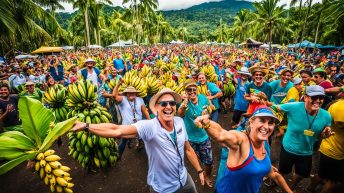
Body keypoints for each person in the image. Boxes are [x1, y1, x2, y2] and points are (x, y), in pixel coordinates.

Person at [71, 88, 205, 193]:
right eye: (164, 103)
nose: (168, 106)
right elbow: (116, 130)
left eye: (172, 103)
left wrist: (199, 171)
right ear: (156, 108)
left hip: (184, 178)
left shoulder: (180, 121)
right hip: (164, 188)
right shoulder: (149, 126)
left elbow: (188, 149)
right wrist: (86, 126)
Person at [193, 105, 293, 193]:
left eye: (270, 123)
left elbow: (273, 174)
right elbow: (221, 134)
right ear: (251, 122)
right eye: (262, 120)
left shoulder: (265, 143)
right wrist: (207, 123)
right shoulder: (242, 141)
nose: (266, 126)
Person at [272, 85, 334, 189]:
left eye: (321, 97)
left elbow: (321, 135)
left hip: (306, 152)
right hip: (288, 148)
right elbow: (274, 108)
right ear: (305, 97)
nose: (318, 100)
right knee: (283, 171)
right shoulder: (294, 106)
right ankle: (279, 185)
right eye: (314, 97)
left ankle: (291, 186)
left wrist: (324, 135)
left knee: (302, 174)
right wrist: (271, 124)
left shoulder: (326, 116)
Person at [177, 80, 213, 187]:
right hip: (190, 138)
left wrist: (206, 115)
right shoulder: (184, 102)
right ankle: (200, 173)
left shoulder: (203, 98)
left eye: (194, 89)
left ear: (197, 89)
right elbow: (180, 114)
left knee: (209, 162)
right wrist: (183, 105)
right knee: (195, 160)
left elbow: (209, 111)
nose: (192, 92)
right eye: (189, 90)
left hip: (203, 136)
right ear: (185, 91)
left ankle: (207, 175)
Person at [307, 98, 344, 193]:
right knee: (334, 181)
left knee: (322, 174)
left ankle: (310, 188)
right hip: (335, 151)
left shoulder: (337, 103)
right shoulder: (340, 107)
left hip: (329, 146)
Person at [112, 80, 150, 156]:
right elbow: (114, 96)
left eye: (133, 92)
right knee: (123, 142)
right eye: (129, 92)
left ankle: (139, 145)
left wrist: (149, 121)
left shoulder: (140, 99)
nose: (131, 94)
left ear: (136, 93)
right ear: (126, 94)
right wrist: (118, 84)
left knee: (141, 138)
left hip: (139, 126)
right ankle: (118, 156)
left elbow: (145, 111)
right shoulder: (123, 100)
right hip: (127, 126)